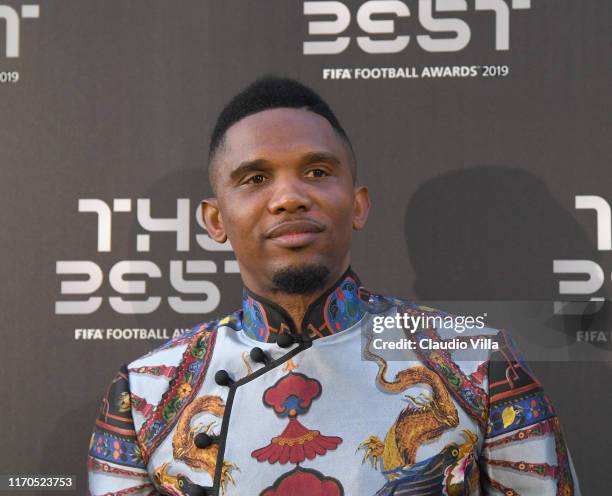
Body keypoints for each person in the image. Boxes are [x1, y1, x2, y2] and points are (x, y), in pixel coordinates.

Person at [87, 76, 580, 496]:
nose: (289, 197)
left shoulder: (477, 360)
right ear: (216, 220)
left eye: (317, 172)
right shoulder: (143, 391)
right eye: (256, 178)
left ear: (358, 204)